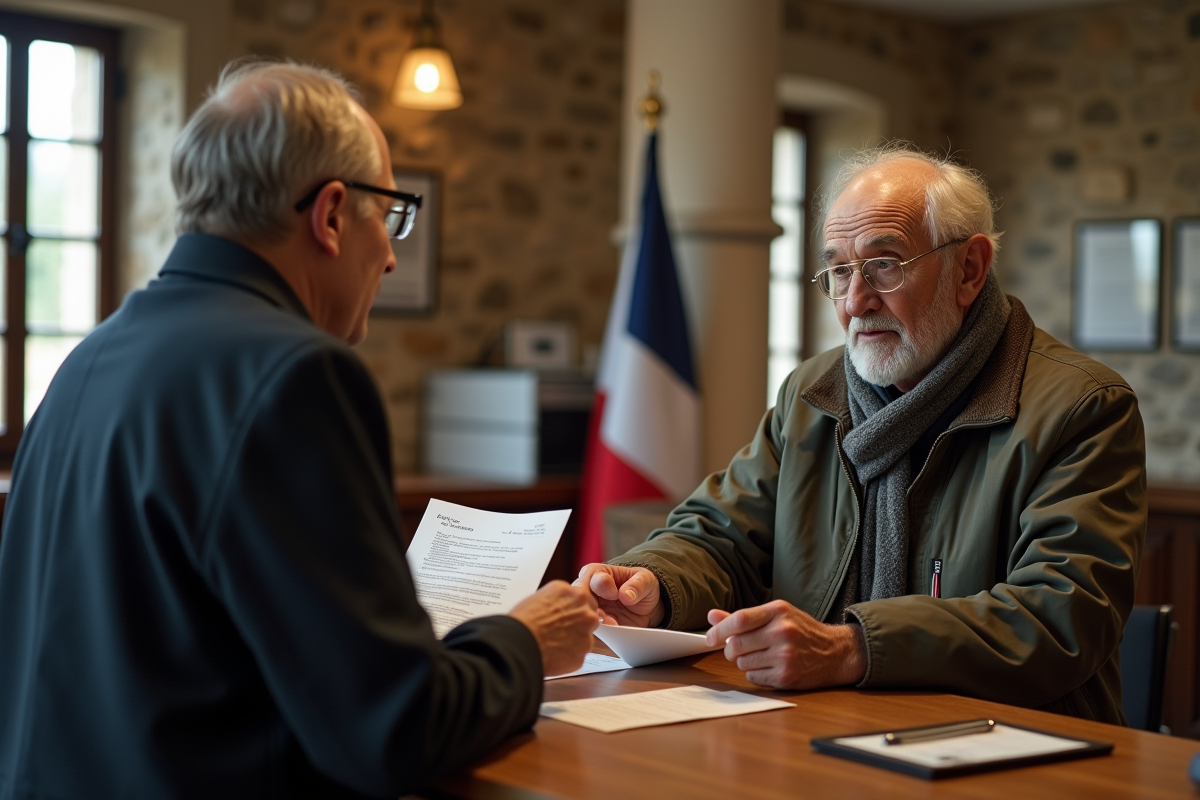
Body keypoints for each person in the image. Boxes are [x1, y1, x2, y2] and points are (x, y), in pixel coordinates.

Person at [0, 60, 599, 799]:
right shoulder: (295, 375)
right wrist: (526, 641)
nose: (389, 254)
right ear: (332, 214)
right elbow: (394, 731)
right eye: (391, 214)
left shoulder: (91, 358)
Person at [579, 144, 1146, 724]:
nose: (855, 301)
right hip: (827, 731)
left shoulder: (1084, 407)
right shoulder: (810, 394)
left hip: (1021, 749)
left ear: (970, 269)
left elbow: (1062, 616)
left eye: (885, 264)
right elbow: (721, 534)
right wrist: (654, 582)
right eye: (839, 271)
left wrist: (854, 647)